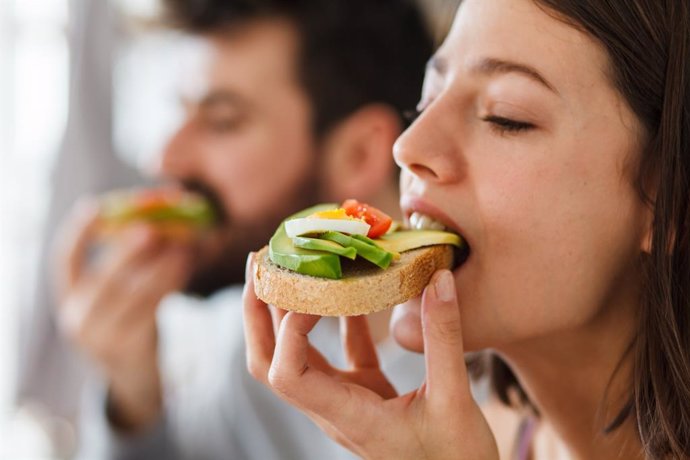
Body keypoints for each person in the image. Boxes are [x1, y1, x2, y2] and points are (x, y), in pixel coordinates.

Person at [243, 0, 690, 459]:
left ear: (670, 203)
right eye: (427, 100)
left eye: (506, 117)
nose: (407, 145)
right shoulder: (478, 440)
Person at [55, 0, 435, 458]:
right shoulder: (242, 349)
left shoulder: (491, 388)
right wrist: (134, 393)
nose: (165, 160)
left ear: (358, 153)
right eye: (181, 112)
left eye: (222, 121)